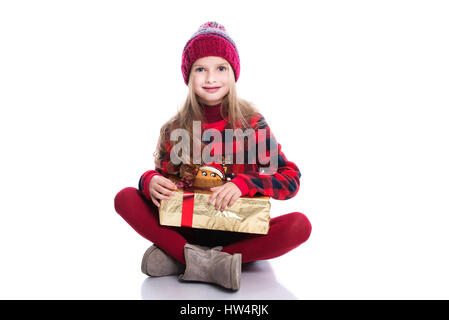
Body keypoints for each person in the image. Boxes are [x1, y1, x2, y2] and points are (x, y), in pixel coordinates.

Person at [114, 21, 312, 291]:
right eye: (200, 69)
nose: (210, 78)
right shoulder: (174, 129)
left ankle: (182, 258)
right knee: (125, 197)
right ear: (188, 75)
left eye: (221, 68)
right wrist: (149, 182)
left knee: (299, 225)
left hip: (238, 230)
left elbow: (290, 180)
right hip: (187, 227)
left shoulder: (252, 125)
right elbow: (165, 181)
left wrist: (244, 183)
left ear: (233, 73)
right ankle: (215, 263)